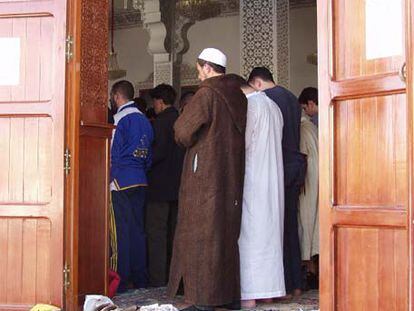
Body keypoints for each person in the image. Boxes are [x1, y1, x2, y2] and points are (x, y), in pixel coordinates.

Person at [167, 48, 247, 310]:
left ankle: (202, 299)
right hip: (231, 177)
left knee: (200, 234)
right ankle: (228, 296)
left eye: (200, 69)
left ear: (208, 68)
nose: (199, 74)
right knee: (224, 236)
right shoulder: (238, 95)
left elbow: (182, 131)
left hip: (205, 178)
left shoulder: (208, 93)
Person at [227, 74, 285, 308]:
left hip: (253, 177)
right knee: (269, 233)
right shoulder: (273, 106)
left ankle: (249, 294)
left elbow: (243, 145)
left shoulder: (250, 106)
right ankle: (269, 291)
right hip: (273, 178)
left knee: (250, 234)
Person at [248, 67, 305, 297]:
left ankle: (278, 286)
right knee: (290, 225)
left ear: (257, 83)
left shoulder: (266, 100)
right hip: (295, 165)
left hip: (276, 166)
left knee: (273, 226)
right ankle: (296, 283)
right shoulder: (290, 96)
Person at [110, 80, 154, 292]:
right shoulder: (145, 120)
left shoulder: (119, 119)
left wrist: (109, 179)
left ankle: (121, 280)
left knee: (121, 234)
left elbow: (112, 154)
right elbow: (149, 156)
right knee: (138, 230)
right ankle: (141, 278)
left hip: (120, 181)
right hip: (140, 179)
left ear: (117, 96)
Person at [146, 84, 185, 287]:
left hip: (159, 188)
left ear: (159, 102)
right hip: (177, 187)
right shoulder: (181, 119)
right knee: (174, 234)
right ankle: (175, 280)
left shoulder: (160, 123)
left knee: (157, 235)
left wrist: (145, 162)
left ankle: (158, 280)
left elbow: (157, 153)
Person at [298, 110, 319, 285]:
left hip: (308, 181)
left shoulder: (303, 129)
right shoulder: (312, 126)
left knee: (306, 223)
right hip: (318, 179)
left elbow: (302, 156)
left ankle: (309, 268)